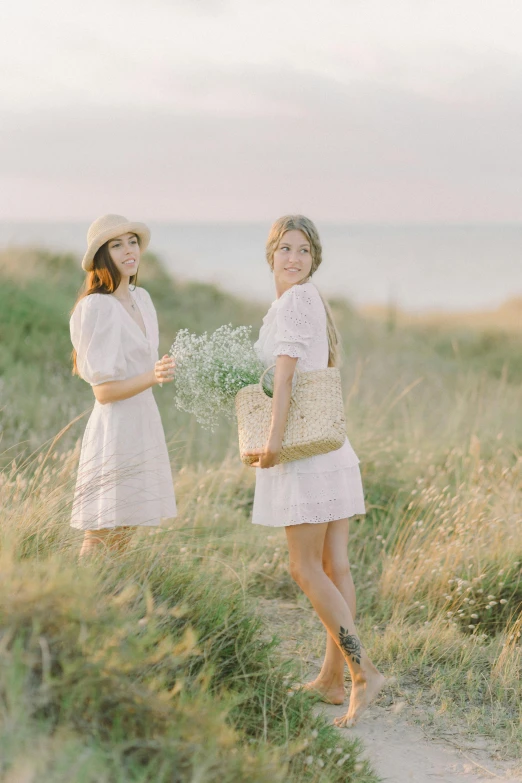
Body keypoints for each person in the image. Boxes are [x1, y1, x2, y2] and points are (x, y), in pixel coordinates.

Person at [243, 215, 385, 727]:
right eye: (285, 248)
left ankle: (363, 671)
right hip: (331, 451)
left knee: (304, 569)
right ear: (271, 254)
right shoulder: (303, 301)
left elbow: (284, 379)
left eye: (303, 250)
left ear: (313, 259)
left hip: (305, 454)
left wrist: (273, 443)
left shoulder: (296, 300)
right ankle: (330, 680)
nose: (294, 258)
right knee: (333, 568)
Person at [70, 214, 177, 557]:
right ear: (103, 255)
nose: (129, 251)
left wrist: (162, 368)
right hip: (114, 427)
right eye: (117, 245)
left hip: (142, 421)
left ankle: (109, 599)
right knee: (99, 531)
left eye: (132, 242)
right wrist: (153, 376)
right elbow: (103, 392)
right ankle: (81, 601)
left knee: (126, 530)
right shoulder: (96, 307)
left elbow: (143, 363)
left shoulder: (142, 298)